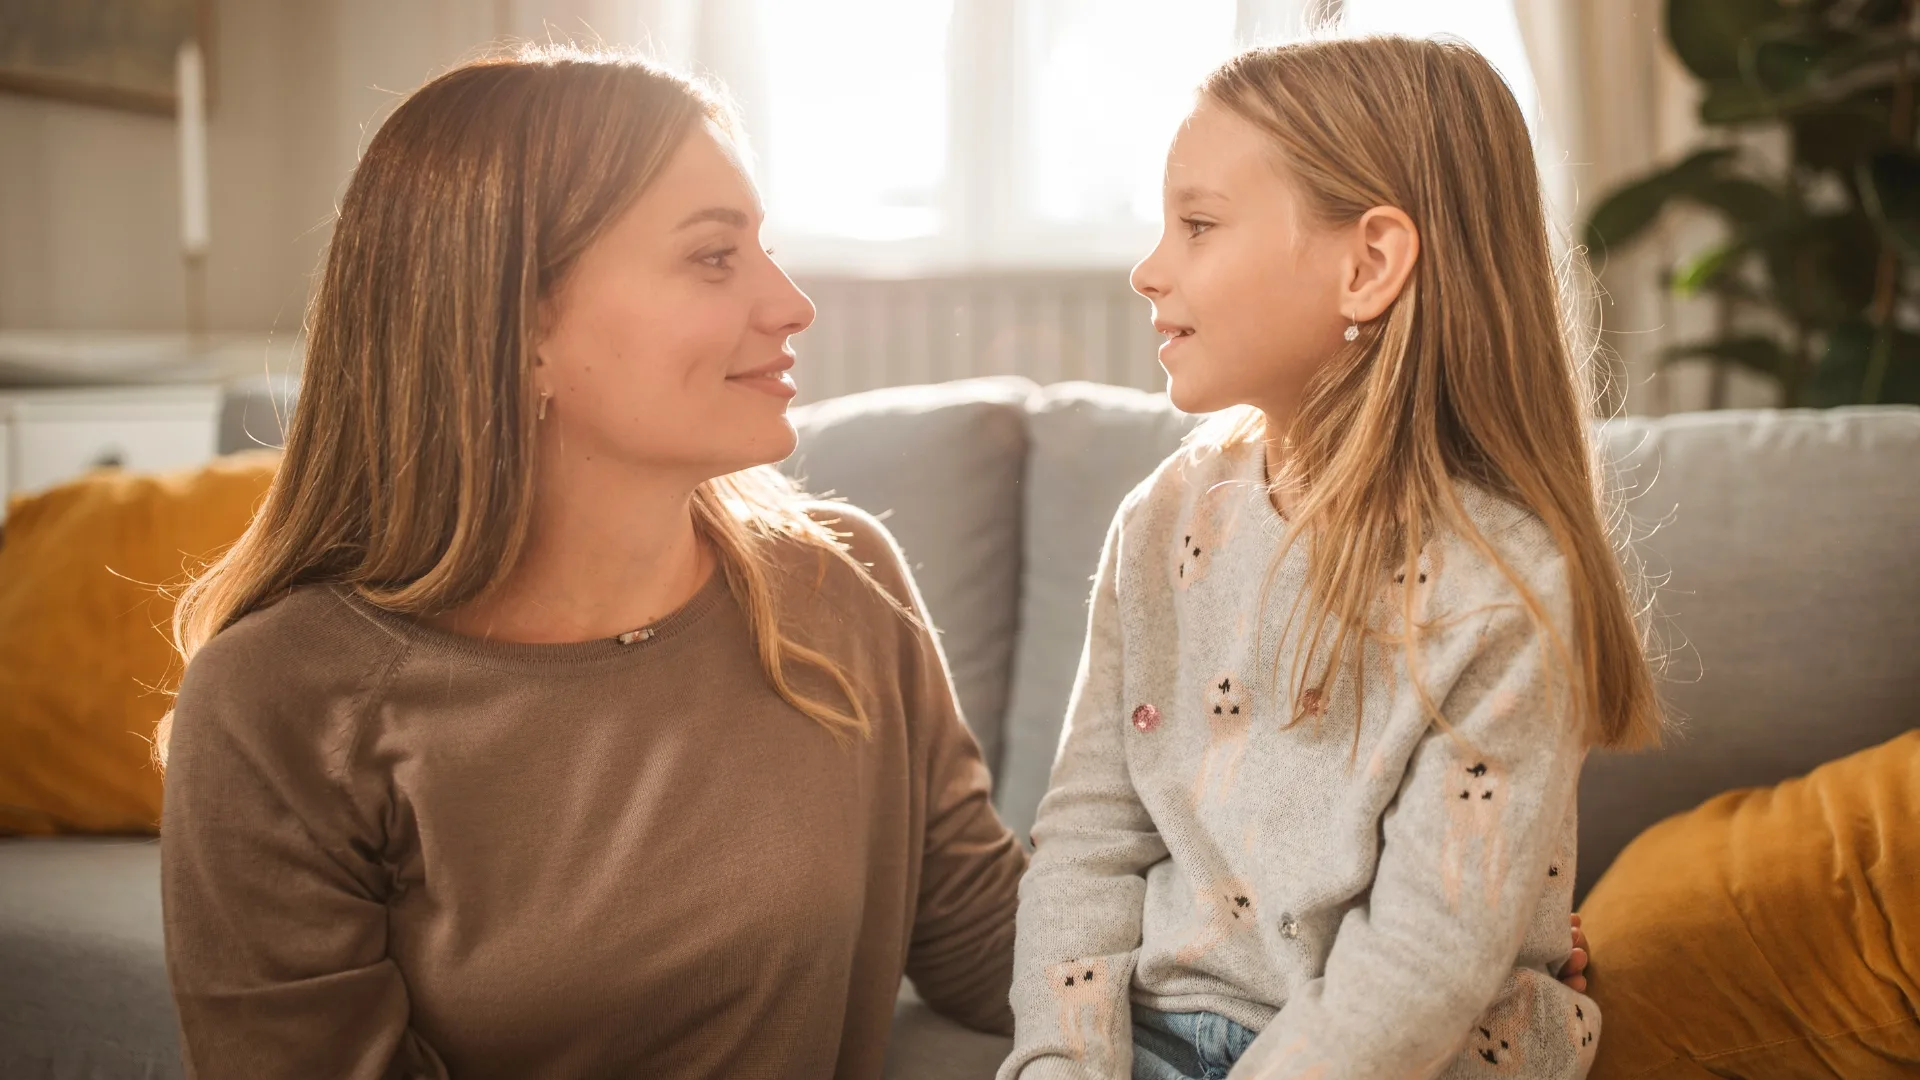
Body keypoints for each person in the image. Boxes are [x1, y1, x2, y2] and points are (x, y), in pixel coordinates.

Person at [157, 48, 1024, 1079]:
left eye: (765, 250)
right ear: (521, 326)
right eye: (715, 258)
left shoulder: (842, 585)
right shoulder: (280, 703)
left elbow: (998, 950)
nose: (792, 304)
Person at [1000, 36, 1656, 1080]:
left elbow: (1427, 955)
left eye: (1199, 225)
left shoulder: (1496, 578)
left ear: (1369, 264)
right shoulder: (1160, 520)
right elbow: (1087, 837)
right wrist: (1059, 1063)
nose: (1148, 267)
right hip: (1163, 1035)